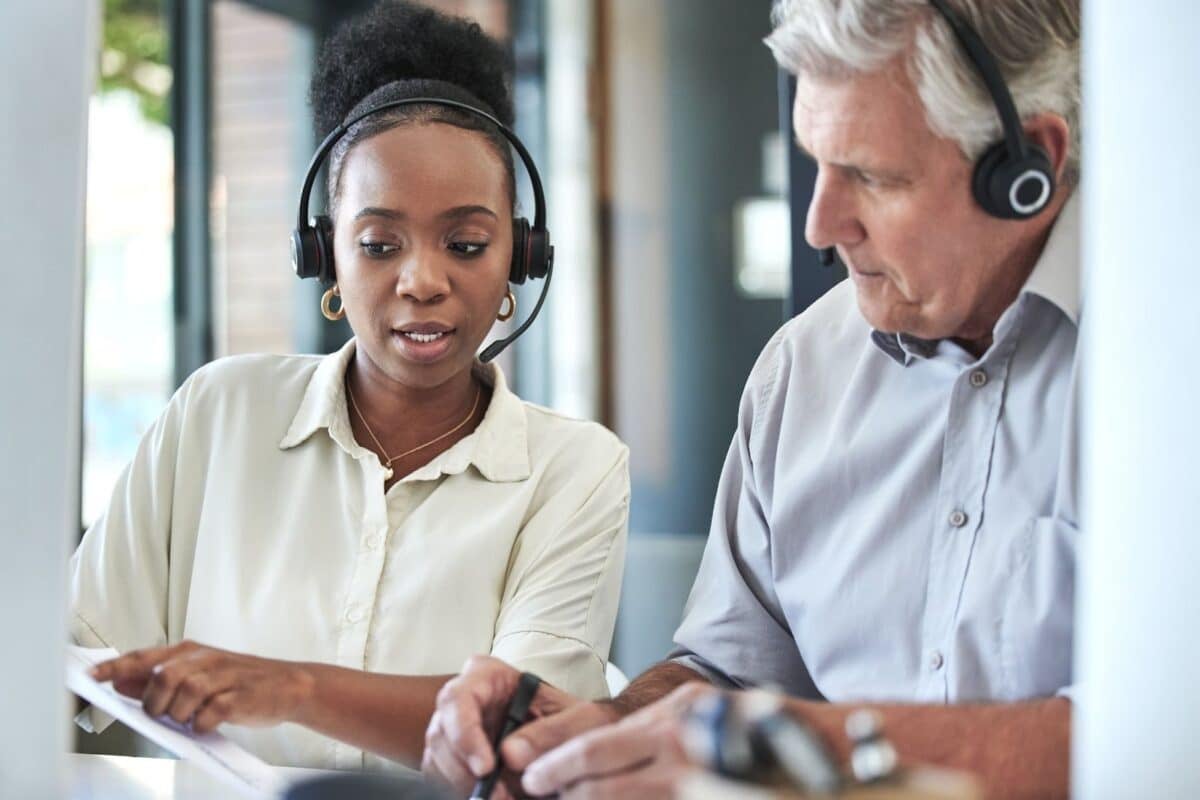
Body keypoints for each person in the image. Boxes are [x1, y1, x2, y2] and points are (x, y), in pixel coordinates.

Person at [423, 0, 1081, 797]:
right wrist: (607, 732)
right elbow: (726, 674)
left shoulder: (1164, 378)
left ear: (1026, 173)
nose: (818, 223)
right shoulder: (801, 371)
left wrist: (801, 746)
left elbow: (1166, 731)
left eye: (871, 175)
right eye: (817, 162)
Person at [70, 1, 629, 771]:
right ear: (324, 254)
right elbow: (77, 657)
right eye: (378, 244)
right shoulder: (217, 414)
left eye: (466, 243)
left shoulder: (577, 469)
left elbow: (524, 734)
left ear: (520, 257)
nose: (423, 281)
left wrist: (296, 689)